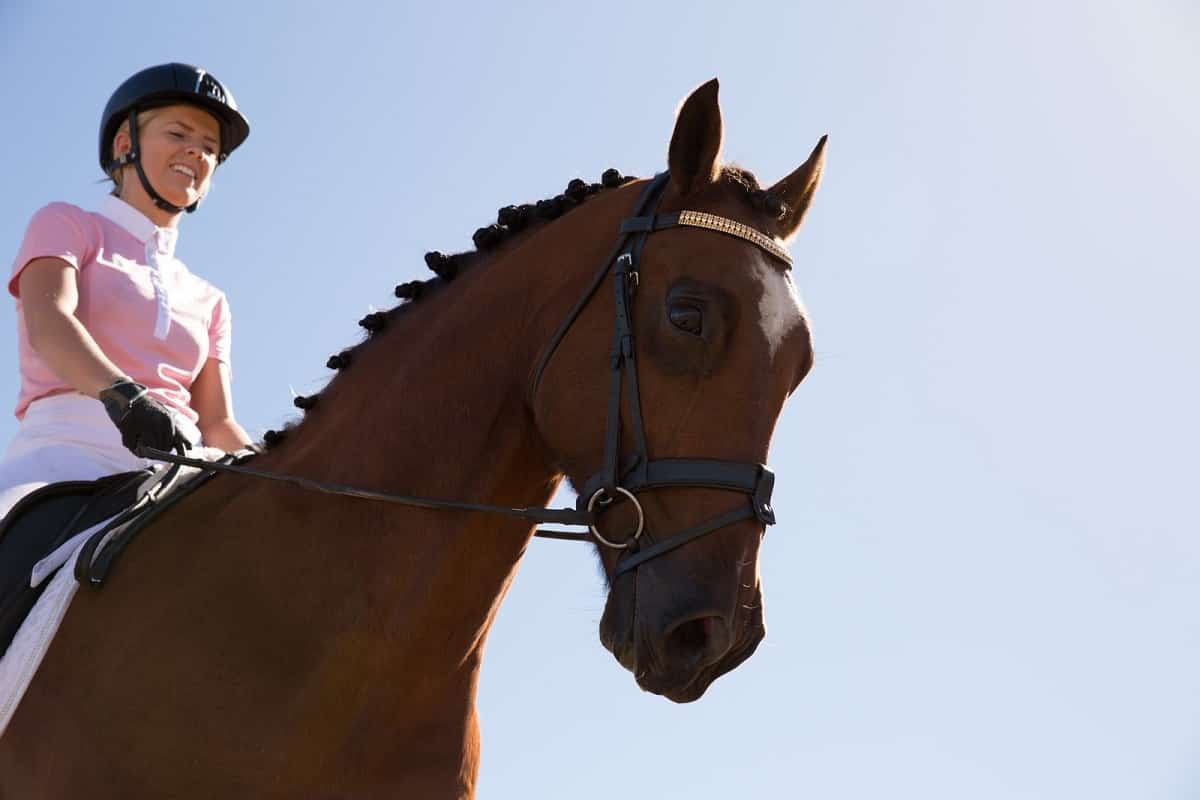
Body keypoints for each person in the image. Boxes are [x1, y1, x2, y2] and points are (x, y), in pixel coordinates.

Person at [0, 63, 254, 521]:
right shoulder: (67, 223)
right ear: (125, 145)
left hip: (179, 471)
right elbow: (50, 322)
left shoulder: (210, 299)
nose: (195, 152)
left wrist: (274, 467)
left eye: (210, 148)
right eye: (178, 134)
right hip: (62, 460)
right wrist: (125, 397)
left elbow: (216, 422)